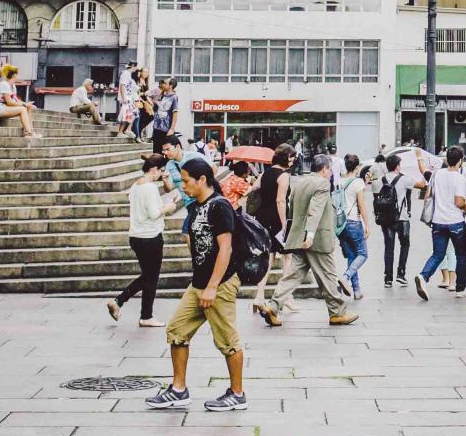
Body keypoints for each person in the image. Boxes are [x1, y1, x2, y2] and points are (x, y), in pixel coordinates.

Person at [145, 158, 246, 411]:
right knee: (177, 330)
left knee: (227, 340)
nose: (182, 184)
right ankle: (178, 390)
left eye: (186, 180)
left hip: (219, 283)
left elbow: (226, 249)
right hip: (199, 283)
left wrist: (212, 286)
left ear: (202, 180)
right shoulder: (196, 207)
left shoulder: (219, 206)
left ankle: (237, 393)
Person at [268, 154, 358, 326]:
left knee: (293, 275)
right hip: (316, 238)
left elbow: (291, 208)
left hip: (299, 237)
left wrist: (297, 233)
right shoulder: (322, 183)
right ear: (324, 169)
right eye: (330, 170)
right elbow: (314, 210)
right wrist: (310, 235)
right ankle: (337, 312)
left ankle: (272, 306)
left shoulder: (299, 182)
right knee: (329, 275)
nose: (331, 173)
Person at [109, 154, 176, 326]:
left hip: (136, 236)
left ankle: (121, 303)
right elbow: (154, 213)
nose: (162, 175)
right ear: (154, 170)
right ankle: (144, 315)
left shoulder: (136, 185)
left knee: (148, 275)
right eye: (161, 171)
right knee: (151, 277)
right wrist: (168, 207)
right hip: (150, 237)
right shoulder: (150, 188)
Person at [417, 145, 466, 299]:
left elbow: (429, 194)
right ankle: (460, 288)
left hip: (438, 221)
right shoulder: (459, 178)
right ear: (460, 161)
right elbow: (458, 201)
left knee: (438, 254)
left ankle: (423, 276)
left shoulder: (437, 174)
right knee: (461, 254)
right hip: (455, 222)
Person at [247, 142, 294, 322]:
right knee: (287, 257)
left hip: (261, 218)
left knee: (268, 258)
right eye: (292, 157)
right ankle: (286, 297)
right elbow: (281, 201)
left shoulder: (264, 173)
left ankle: (259, 296)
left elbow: (253, 191)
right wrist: (284, 225)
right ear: (286, 158)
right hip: (276, 219)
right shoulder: (283, 176)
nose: (293, 161)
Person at [376, 153, 418, 288]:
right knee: (405, 244)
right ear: (397, 167)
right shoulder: (405, 179)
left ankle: (387, 278)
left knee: (389, 247)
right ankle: (401, 273)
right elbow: (421, 185)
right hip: (402, 218)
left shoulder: (380, 180)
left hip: (385, 218)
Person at [334, 154, 372, 299]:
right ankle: (346, 277)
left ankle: (356, 291)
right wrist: (367, 225)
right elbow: (361, 205)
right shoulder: (357, 182)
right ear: (357, 167)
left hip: (340, 223)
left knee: (351, 256)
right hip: (353, 222)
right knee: (363, 254)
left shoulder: (339, 181)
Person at [0, 67, 38, 141]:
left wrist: (27, 104)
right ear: (14, 75)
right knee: (22, 109)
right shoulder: (4, 84)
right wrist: (24, 105)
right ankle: (28, 133)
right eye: (18, 74)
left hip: (3, 106)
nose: (19, 76)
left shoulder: (13, 86)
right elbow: (9, 102)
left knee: (27, 108)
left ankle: (31, 131)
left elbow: (15, 101)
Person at [114, 70, 139, 138]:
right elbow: (126, 88)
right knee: (126, 115)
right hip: (128, 99)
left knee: (132, 114)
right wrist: (124, 98)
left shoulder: (131, 80)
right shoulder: (129, 80)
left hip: (130, 99)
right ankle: (122, 131)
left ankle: (127, 129)